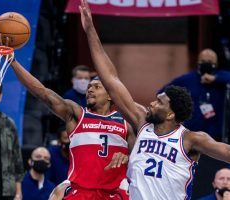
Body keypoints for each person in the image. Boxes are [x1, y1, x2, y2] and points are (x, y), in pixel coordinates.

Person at [79, 0, 230, 199]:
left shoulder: (190, 139)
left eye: (159, 102)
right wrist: (90, 31)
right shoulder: (141, 121)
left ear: (170, 113)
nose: (151, 103)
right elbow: (112, 81)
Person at [0, 35, 135, 200]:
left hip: (113, 194)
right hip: (81, 193)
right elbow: (43, 93)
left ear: (111, 95)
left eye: (96, 87)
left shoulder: (126, 124)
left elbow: (140, 159)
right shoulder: (77, 114)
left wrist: (128, 156)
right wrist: (13, 62)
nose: (90, 90)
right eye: (89, 87)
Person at [159, 49, 230, 141]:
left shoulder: (222, 77)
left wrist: (216, 79)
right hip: (191, 135)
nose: (206, 64)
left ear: (216, 64)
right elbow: (162, 93)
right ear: (198, 62)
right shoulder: (187, 79)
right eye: (203, 61)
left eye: (210, 62)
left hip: (217, 137)